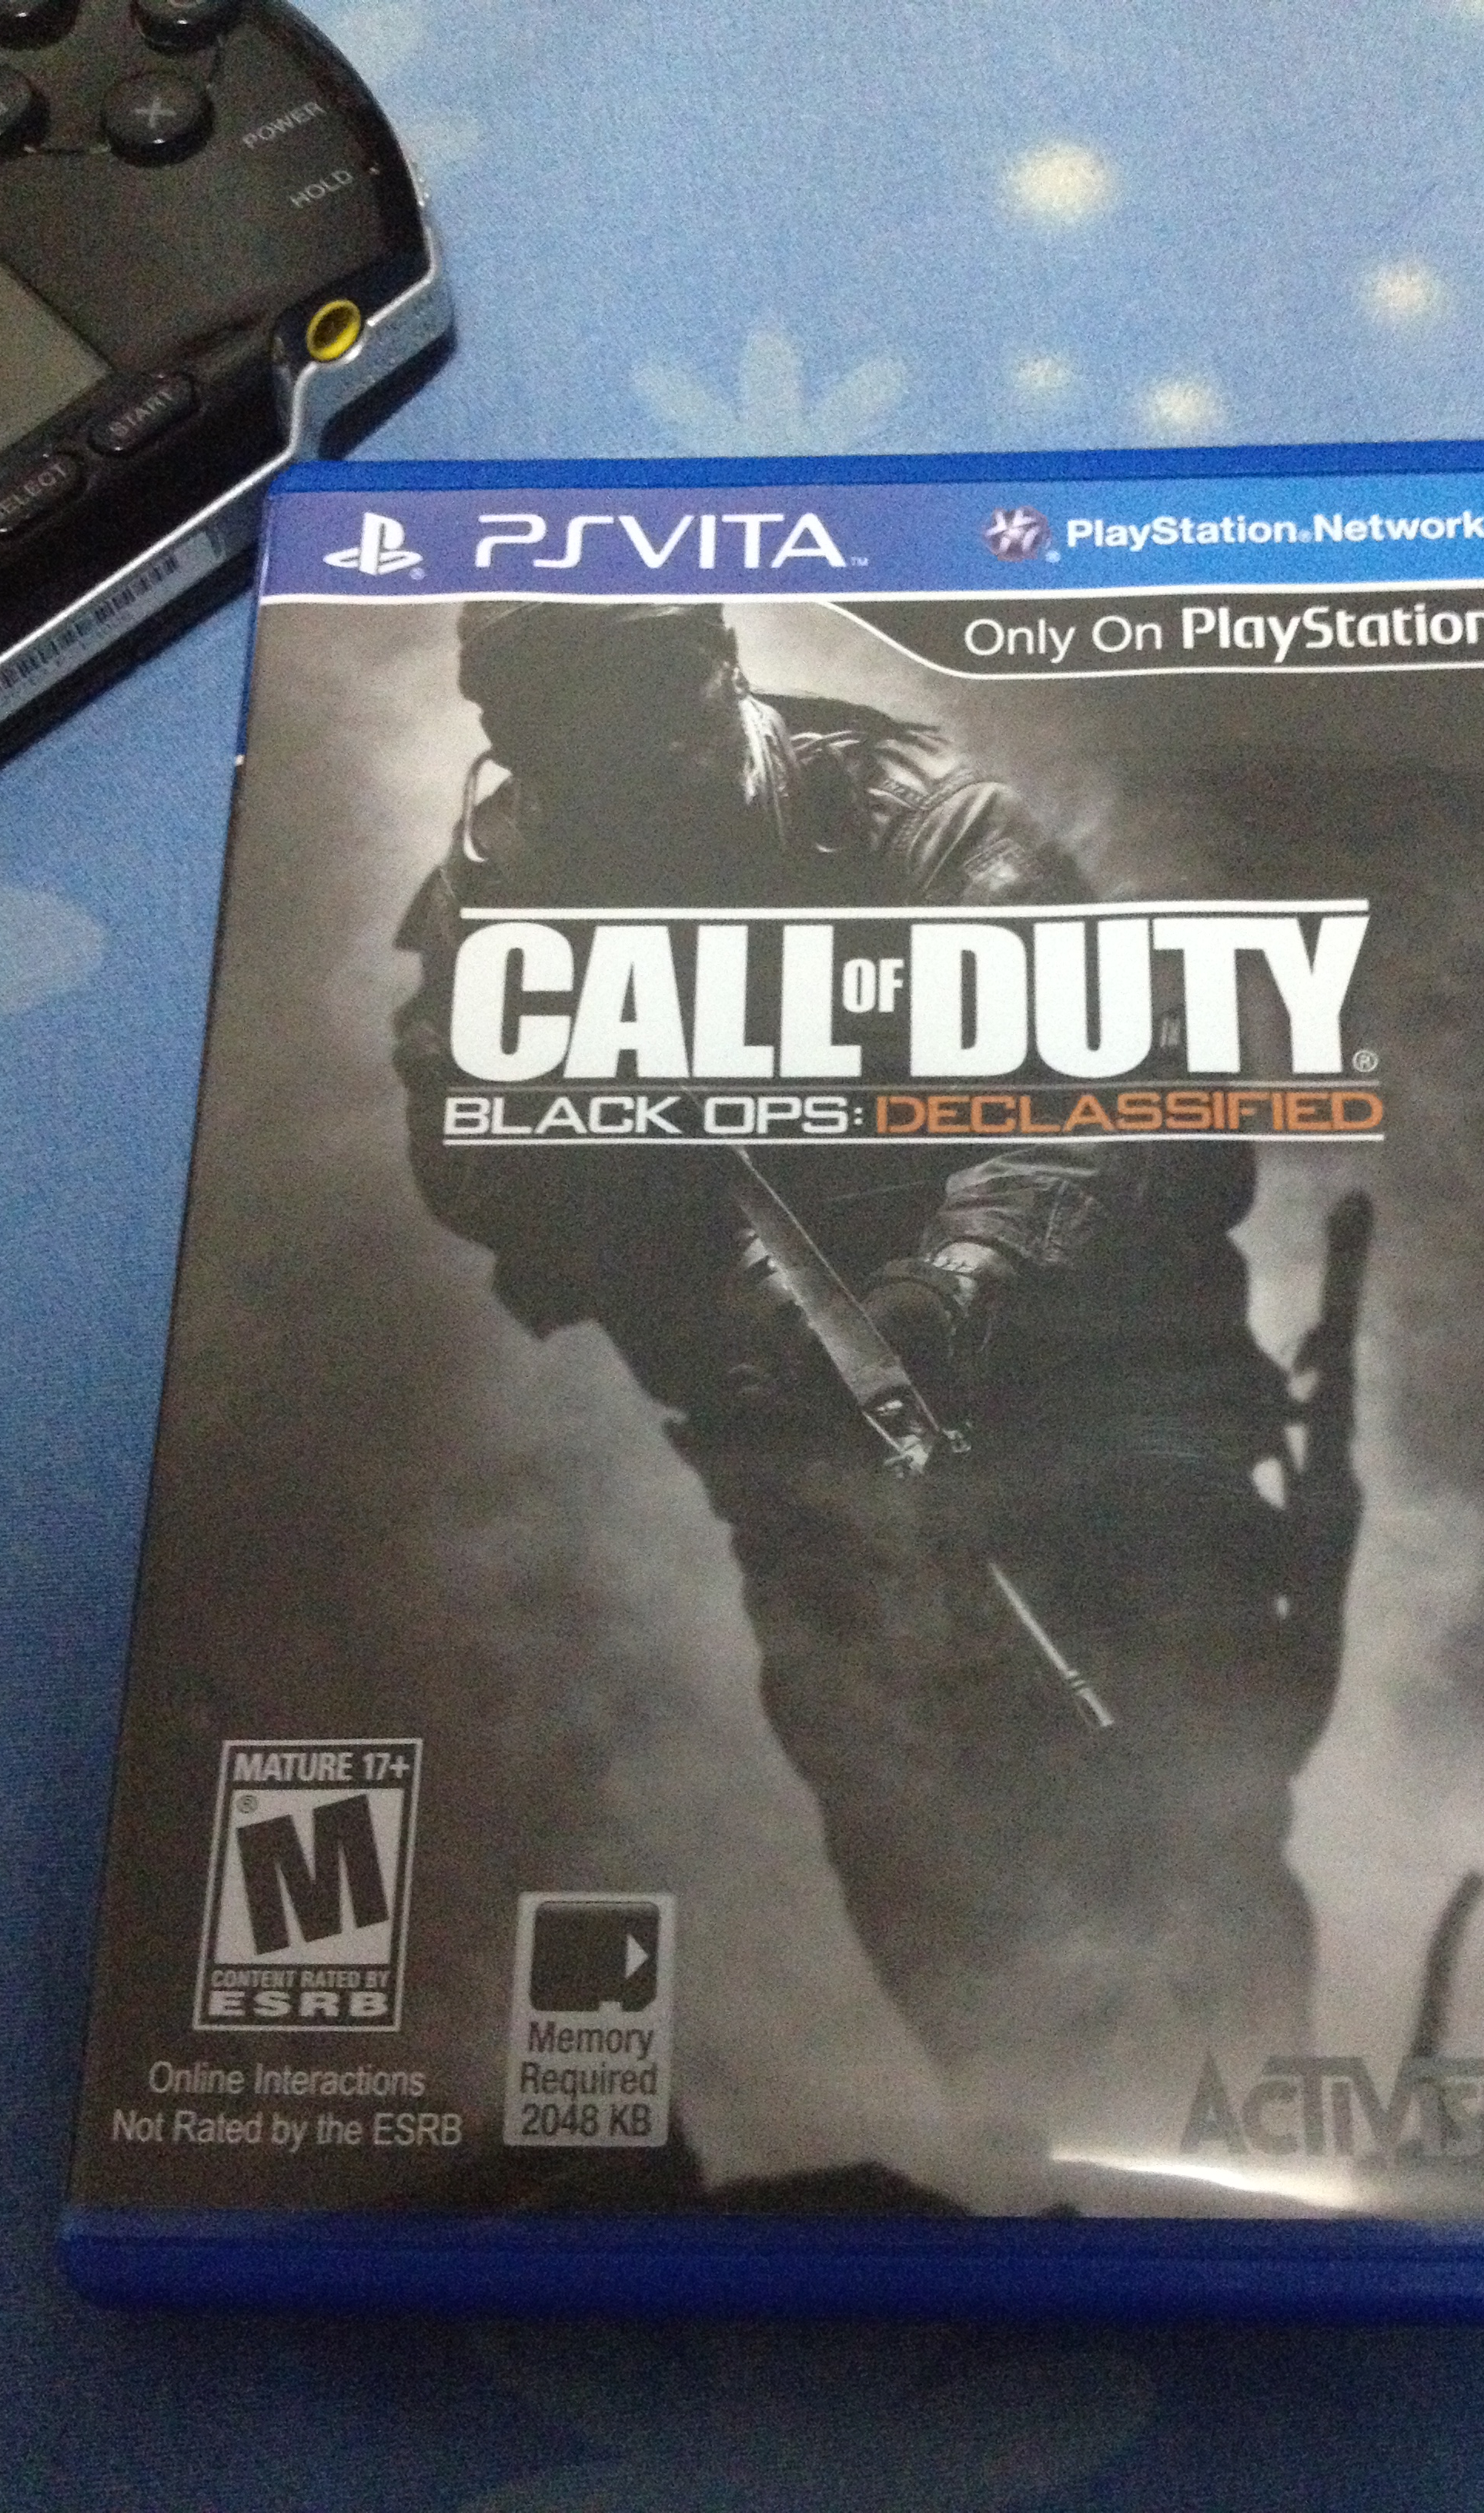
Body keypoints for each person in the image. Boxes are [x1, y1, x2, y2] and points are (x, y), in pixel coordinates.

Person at [394, 600, 1364, 2145]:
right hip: (797, 1438)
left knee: (1182, 1798)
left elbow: (1108, 1084)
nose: (626, 784)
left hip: (1095, 1400)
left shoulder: (922, 824)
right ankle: (1029, 2160)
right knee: (904, 1820)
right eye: (568, 742)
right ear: (514, 737)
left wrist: (960, 1278)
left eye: (647, 726)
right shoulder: (494, 896)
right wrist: (651, 1201)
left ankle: (1248, 2142)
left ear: (716, 677)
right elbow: (467, 1162)